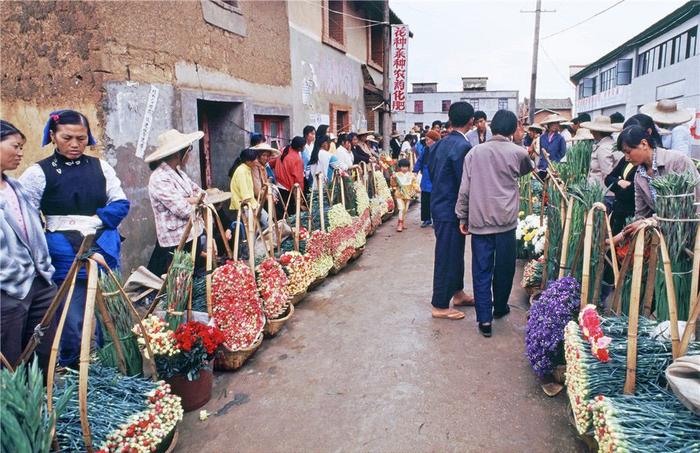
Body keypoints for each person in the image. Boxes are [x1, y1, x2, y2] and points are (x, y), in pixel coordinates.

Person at [20, 110, 130, 368]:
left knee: (111, 310)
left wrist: (97, 222)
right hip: (63, 252)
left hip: (103, 245)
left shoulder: (100, 167)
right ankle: (73, 367)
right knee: (71, 313)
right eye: (67, 137)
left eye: (81, 139)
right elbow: (26, 215)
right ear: (53, 136)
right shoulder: (38, 172)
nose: (74, 144)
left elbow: (121, 201)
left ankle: (115, 363)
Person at [456, 110, 533, 337]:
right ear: (512, 129)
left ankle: (484, 320)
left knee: (481, 269)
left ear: (492, 126)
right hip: (506, 222)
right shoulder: (518, 152)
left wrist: (462, 216)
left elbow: (465, 189)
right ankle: (499, 308)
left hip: (480, 221)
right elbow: (528, 170)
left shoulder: (474, 153)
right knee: (505, 268)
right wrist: (519, 141)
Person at [1, 120, 56, 373]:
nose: (21, 153)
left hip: (39, 281)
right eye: (16, 146)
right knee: (10, 358)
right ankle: (15, 410)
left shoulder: (16, 187)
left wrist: (43, 268)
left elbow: (34, 228)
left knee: (41, 351)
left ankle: (40, 403)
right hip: (8, 288)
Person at [428, 101, 475, 320]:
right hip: (450, 209)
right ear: (471, 122)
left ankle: (457, 293)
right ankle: (439, 304)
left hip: (439, 205)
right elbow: (463, 183)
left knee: (454, 253)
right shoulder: (463, 147)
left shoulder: (439, 143)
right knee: (447, 255)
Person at [618, 124, 700, 238]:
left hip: (693, 231)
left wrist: (648, 222)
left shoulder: (677, 161)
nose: (626, 158)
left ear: (644, 144)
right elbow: (641, 214)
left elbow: (687, 207)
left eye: (628, 152)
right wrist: (622, 236)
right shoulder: (639, 175)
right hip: (666, 234)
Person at [145, 129, 204, 277]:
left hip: (191, 233)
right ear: (179, 154)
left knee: (189, 279)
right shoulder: (159, 178)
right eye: (189, 151)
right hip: (175, 240)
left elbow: (202, 193)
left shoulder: (179, 173)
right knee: (177, 283)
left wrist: (191, 199)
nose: (190, 155)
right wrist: (192, 200)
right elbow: (183, 210)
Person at [581, 116, 622, 208]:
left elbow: (607, 173)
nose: (591, 132)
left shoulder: (603, 148)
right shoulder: (611, 144)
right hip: (605, 191)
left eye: (593, 130)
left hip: (603, 192)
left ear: (597, 132)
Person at [270, 136, 305, 215]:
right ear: (300, 148)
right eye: (304, 146)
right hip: (288, 189)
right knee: (289, 214)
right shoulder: (297, 159)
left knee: (280, 213)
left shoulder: (283, 150)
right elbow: (299, 179)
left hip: (278, 186)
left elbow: (271, 163)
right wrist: (300, 195)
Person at [414, 129, 439, 227]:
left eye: (428, 140)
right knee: (425, 199)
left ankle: (435, 219)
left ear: (434, 140)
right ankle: (426, 219)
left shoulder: (439, 149)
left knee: (435, 200)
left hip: (435, 177)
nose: (427, 142)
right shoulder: (425, 149)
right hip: (426, 176)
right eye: (426, 140)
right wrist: (415, 171)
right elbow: (420, 160)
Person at [391, 159, 420, 232]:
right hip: (399, 194)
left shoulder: (411, 175)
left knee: (405, 209)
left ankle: (401, 221)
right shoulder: (396, 175)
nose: (404, 168)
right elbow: (393, 185)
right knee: (401, 208)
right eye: (403, 167)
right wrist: (393, 179)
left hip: (408, 195)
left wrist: (417, 189)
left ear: (408, 167)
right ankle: (400, 224)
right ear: (400, 167)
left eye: (406, 167)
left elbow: (414, 183)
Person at [536, 113, 568, 178]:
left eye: (556, 123)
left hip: (554, 166)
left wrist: (555, 158)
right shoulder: (542, 137)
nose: (555, 126)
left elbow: (562, 153)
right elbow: (541, 151)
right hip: (543, 166)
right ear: (549, 125)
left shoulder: (560, 138)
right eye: (553, 124)